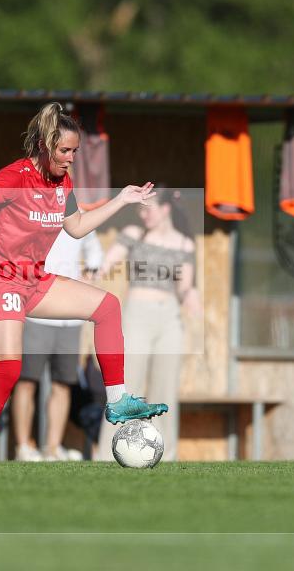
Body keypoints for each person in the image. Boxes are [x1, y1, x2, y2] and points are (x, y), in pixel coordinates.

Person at [0, 102, 168, 468]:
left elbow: (77, 226)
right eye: (64, 150)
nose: (70, 159)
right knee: (9, 370)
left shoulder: (63, 182)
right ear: (44, 144)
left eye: (74, 152)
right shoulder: (17, 175)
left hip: (33, 281)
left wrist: (121, 200)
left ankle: (117, 401)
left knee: (107, 306)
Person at [96, 186, 195, 462]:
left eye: (147, 209)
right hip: (136, 315)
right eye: (140, 209)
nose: (143, 214)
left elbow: (185, 284)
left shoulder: (185, 244)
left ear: (165, 210)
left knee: (165, 389)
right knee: (126, 388)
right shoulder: (133, 234)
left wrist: (191, 297)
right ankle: (107, 454)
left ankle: (166, 454)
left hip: (169, 319)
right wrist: (100, 268)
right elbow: (110, 259)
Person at [13, 226, 103, 462]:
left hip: (70, 317)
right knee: (26, 381)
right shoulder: (27, 210)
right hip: (35, 313)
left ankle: (52, 448)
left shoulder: (79, 216)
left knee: (63, 383)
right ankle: (23, 447)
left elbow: (95, 253)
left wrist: (89, 275)